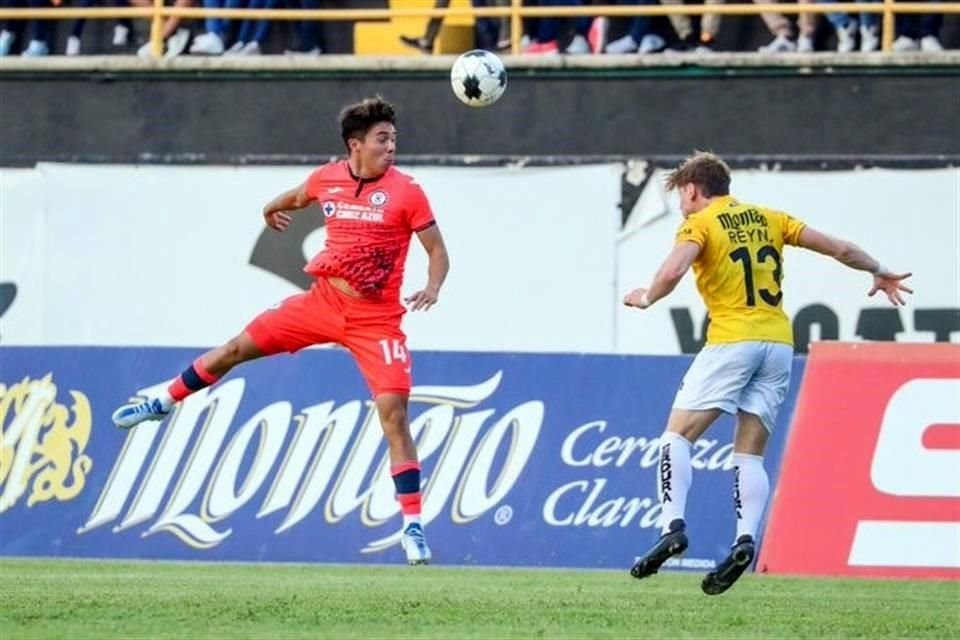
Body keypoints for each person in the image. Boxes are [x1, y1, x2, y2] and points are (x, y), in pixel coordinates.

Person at [111, 96, 450, 567]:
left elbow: (437, 250)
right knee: (234, 349)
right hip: (321, 303)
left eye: (393, 138)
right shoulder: (327, 178)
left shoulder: (407, 193)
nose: (391, 147)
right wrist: (269, 210)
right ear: (356, 145)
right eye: (382, 139)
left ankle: (412, 526)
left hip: (376, 320)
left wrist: (432, 285)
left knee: (394, 413)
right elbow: (292, 199)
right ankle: (162, 401)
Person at [622, 151, 912, 595]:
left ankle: (671, 528)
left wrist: (646, 298)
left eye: (681, 195)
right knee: (749, 453)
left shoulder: (699, 223)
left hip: (731, 341)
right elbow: (840, 248)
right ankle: (744, 539)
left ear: (693, 189)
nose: (681, 204)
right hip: (778, 344)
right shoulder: (771, 218)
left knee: (675, 438)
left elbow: (674, 268)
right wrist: (879, 270)